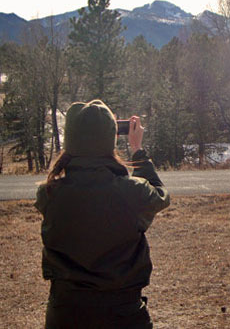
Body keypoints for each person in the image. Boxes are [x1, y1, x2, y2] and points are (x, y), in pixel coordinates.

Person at [35, 100, 170, 329]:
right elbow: (160, 195)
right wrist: (137, 151)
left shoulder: (48, 193)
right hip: (122, 314)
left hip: (64, 314)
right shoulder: (131, 192)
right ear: (111, 140)